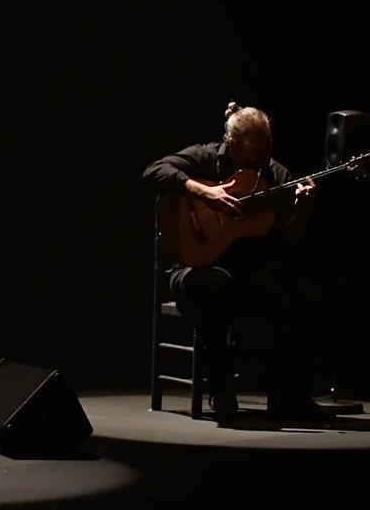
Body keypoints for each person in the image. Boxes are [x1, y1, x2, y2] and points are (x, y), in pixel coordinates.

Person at [142, 101, 332, 422]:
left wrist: (302, 211)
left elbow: (290, 238)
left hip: (248, 275)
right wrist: (203, 192)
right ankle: (220, 388)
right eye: (255, 149)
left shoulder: (275, 175)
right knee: (216, 285)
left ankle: (293, 396)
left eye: (267, 147)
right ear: (231, 145)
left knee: (304, 295)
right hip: (193, 268)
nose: (263, 157)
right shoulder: (204, 157)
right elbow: (153, 170)